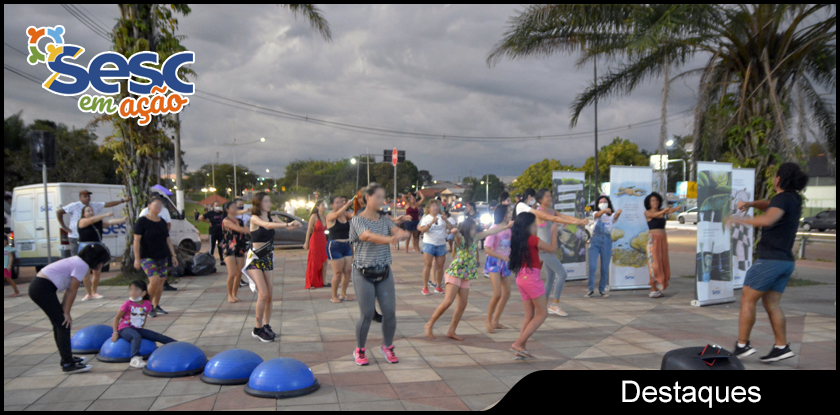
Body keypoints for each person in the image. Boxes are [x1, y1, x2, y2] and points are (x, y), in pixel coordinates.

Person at [730, 163, 808, 362]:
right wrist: (750, 204)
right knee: (771, 302)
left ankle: (742, 345)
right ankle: (781, 347)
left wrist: (739, 220)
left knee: (747, 299)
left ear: (778, 179)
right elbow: (770, 205)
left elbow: (768, 219)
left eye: (775, 176)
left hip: (770, 260)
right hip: (785, 261)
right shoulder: (793, 199)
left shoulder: (781, 199)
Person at [348, 183, 410, 366]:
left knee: (389, 312)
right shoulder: (357, 220)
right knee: (367, 314)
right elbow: (367, 236)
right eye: (378, 197)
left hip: (384, 272)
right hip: (363, 272)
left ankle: (387, 346)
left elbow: (396, 230)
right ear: (367, 197)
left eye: (383, 197)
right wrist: (390, 239)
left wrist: (402, 234)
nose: (382, 201)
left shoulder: (384, 219)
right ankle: (360, 349)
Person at [425, 218, 511, 341]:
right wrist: (455, 232)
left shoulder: (475, 238)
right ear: (467, 229)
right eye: (473, 228)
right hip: (455, 272)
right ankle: (429, 324)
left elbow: (490, 232)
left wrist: (506, 227)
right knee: (448, 301)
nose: (475, 230)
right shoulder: (461, 239)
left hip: (466, 275)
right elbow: (458, 236)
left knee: (462, 305)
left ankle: (451, 331)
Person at [29, 244, 111, 373]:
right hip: (41, 288)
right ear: (96, 259)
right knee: (63, 324)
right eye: (102, 262)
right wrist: (66, 313)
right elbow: (72, 290)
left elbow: (69, 291)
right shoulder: (81, 265)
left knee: (60, 323)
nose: (101, 265)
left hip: (40, 287)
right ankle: (68, 364)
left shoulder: (78, 261)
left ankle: (66, 358)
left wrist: (64, 311)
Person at [243, 192, 301, 342]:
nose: (269, 204)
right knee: (262, 294)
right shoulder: (254, 218)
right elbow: (267, 226)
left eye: (269, 201)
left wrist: (295, 224)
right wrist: (286, 224)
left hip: (268, 258)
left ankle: (266, 325)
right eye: (266, 201)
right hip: (255, 259)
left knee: (269, 295)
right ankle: (257, 328)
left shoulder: (272, 217)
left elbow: (285, 227)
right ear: (259, 203)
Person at [508, 212, 558, 359]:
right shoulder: (533, 239)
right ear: (529, 226)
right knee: (542, 313)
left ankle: (521, 347)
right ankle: (518, 343)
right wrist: (554, 233)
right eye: (534, 224)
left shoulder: (518, 240)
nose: (536, 226)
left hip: (521, 278)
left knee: (529, 315)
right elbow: (552, 248)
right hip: (531, 279)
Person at [532, 188, 588, 317]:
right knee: (562, 274)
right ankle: (555, 304)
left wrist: (579, 220)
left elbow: (563, 216)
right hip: (544, 250)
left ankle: (543, 305)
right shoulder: (539, 212)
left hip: (551, 249)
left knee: (551, 277)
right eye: (547, 196)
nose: (550, 198)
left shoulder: (551, 210)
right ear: (540, 200)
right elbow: (556, 219)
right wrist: (577, 222)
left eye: (550, 196)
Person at [109, 280, 176, 368]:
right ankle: (134, 359)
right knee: (136, 336)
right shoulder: (127, 304)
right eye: (131, 290)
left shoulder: (147, 304)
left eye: (136, 290)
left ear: (143, 293)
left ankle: (177, 345)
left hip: (137, 329)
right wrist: (115, 333)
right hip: (124, 329)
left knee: (156, 336)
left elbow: (144, 317)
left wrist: (141, 329)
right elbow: (117, 318)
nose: (133, 292)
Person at [133, 197, 178, 317]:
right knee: (154, 280)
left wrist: (173, 255)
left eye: (160, 205)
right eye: (156, 204)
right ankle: (146, 305)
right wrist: (137, 258)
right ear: (149, 206)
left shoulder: (162, 221)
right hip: (147, 256)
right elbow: (136, 240)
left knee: (161, 281)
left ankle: (155, 305)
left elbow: (167, 239)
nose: (158, 207)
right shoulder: (142, 221)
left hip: (162, 255)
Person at [57, 190, 130, 256]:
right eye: (85, 196)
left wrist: (123, 218)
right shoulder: (76, 209)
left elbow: (108, 218)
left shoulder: (94, 206)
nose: (87, 198)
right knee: (78, 258)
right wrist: (64, 227)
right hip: (77, 237)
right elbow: (59, 212)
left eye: (88, 196)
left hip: (93, 241)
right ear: (80, 198)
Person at [77, 206, 127, 301]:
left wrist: (122, 220)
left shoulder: (98, 222)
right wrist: (106, 214)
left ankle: (94, 291)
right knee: (85, 272)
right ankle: (88, 293)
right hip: (85, 247)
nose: (91, 212)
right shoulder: (82, 221)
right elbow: (91, 220)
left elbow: (110, 222)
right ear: (84, 214)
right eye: (88, 211)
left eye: (92, 210)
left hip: (97, 247)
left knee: (97, 271)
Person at [643, 192, 681, 298]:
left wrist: (675, 209)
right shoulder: (647, 212)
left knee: (662, 262)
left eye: (657, 200)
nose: (655, 202)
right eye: (652, 200)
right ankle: (653, 289)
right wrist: (664, 211)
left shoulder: (662, 211)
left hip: (662, 239)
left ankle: (659, 287)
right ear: (649, 203)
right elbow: (653, 215)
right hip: (653, 239)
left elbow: (670, 210)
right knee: (654, 263)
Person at [484, 204, 513, 333]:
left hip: (505, 263)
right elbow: (487, 249)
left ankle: (496, 321)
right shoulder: (494, 228)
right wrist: (503, 257)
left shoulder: (509, 229)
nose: (510, 214)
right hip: (494, 262)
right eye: (509, 212)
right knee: (497, 293)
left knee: (507, 293)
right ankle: (488, 320)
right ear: (503, 214)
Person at [587, 196, 621, 298]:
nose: (603, 203)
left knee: (604, 268)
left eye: (605, 201)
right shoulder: (595, 213)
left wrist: (618, 212)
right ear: (598, 204)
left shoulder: (611, 215)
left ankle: (602, 290)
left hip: (606, 241)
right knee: (592, 266)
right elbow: (597, 215)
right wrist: (604, 211)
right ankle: (590, 289)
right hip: (594, 241)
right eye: (601, 202)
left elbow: (616, 216)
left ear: (608, 203)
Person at [418, 199, 452, 295]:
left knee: (440, 266)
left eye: (437, 206)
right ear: (429, 208)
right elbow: (422, 230)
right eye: (433, 206)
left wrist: (446, 221)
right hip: (429, 244)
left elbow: (451, 228)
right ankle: (425, 287)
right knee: (427, 265)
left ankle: (438, 286)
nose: (435, 208)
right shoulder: (426, 218)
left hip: (441, 244)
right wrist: (431, 223)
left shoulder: (442, 217)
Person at [326, 195, 355, 303]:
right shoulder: (330, 215)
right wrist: (346, 205)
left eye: (341, 202)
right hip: (335, 246)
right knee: (337, 272)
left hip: (346, 245)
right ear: (332, 205)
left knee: (347, 271)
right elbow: (336, 215)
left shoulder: (345, 214)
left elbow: (355, 215)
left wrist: (358, 204)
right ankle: (334, 296)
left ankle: (343, 293)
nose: (340, 204)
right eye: (337, 202)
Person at [222, 201, 249, 303]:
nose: (235, 209)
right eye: (233, 207)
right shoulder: (226, 221)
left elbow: (247, 231)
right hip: (229, 247)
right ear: (227, 210)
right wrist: (243, 228)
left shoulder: (240, 221)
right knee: (232, 273)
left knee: (239, 273)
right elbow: (239, 229)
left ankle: (234, 294)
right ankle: (229, 295)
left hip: (240, 247)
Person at [304, 200, 330, 290]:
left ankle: (323, 281)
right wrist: (306, 242)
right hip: (315, 240)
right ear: (317, 207)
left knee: (324, 261)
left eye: (325, 205)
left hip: (323, 240)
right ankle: (311, 282)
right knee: (314, 261)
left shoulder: (325, 216)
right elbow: (309, 230)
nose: (324, 207)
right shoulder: (314, 216)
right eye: (322, 205)